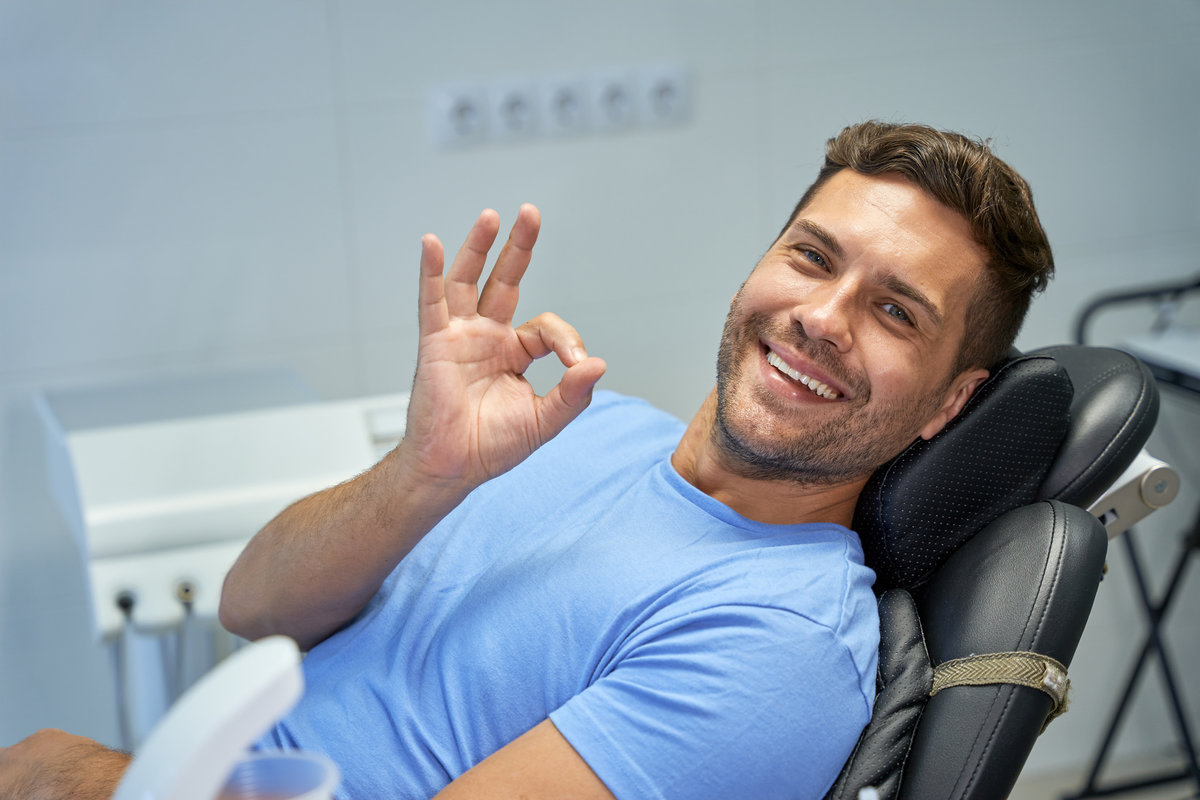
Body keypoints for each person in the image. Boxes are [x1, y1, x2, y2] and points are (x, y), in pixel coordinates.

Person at [0, 120, 1054, 800]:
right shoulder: (593, 425)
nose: (821, 317)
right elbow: (254, 603)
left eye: (894, 311)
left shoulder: (779, 642)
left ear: (948, 402)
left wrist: (107, 785)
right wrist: (423, 471)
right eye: (812, 257)